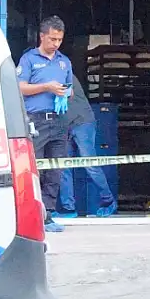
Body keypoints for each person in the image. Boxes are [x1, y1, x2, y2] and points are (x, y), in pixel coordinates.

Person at [17, 16, 74, 233]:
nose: (56, 44)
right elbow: (20, 87)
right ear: (42, 36)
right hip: (37, 121)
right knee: (36, 169)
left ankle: (48, 214)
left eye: (59, 39)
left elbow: (72, 91)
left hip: (59, 120)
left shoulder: (64, 61)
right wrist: (46, 87)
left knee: (55, 170)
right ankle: (33, 214)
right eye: (52, 39)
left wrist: (64, 92)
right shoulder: (29, 59)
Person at [57, 75, 118, 218]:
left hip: (82, 122)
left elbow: (65, 94)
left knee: (89, 163)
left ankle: (108, 200)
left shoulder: (63, 70)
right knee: (63, 166)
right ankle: (68, 208)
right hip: (64, 124)